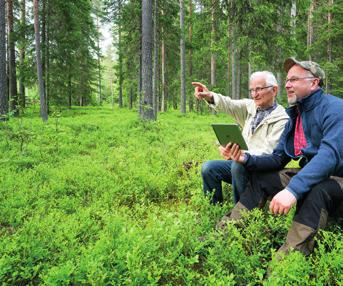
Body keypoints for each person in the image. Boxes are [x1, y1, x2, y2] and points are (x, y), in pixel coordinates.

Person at [217, 57, 343, 255]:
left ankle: (286, 262)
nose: (287, 85)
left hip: (338, 177)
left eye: (294, 80)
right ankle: (225, 233)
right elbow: (278, 158)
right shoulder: (295, 115)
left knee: (316, 190)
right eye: (286, 80)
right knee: (264, 179)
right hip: (318, 173)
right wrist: (245, 158)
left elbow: (329, 156)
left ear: (314, 82)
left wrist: (293, 190)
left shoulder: (335, 109)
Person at [192, 71, 288, 205]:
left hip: (262, 169)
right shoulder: (250, 107)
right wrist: (210, 96)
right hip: (242, 162)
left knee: (238, 166)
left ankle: (242, 213)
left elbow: (269, 154)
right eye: (252, 90)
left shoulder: (282, 119)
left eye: (259, 89)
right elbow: (229, 104)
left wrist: (240, 155)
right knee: (209, 168)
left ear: (274, 90)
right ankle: (213, 208)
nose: (255, 94)